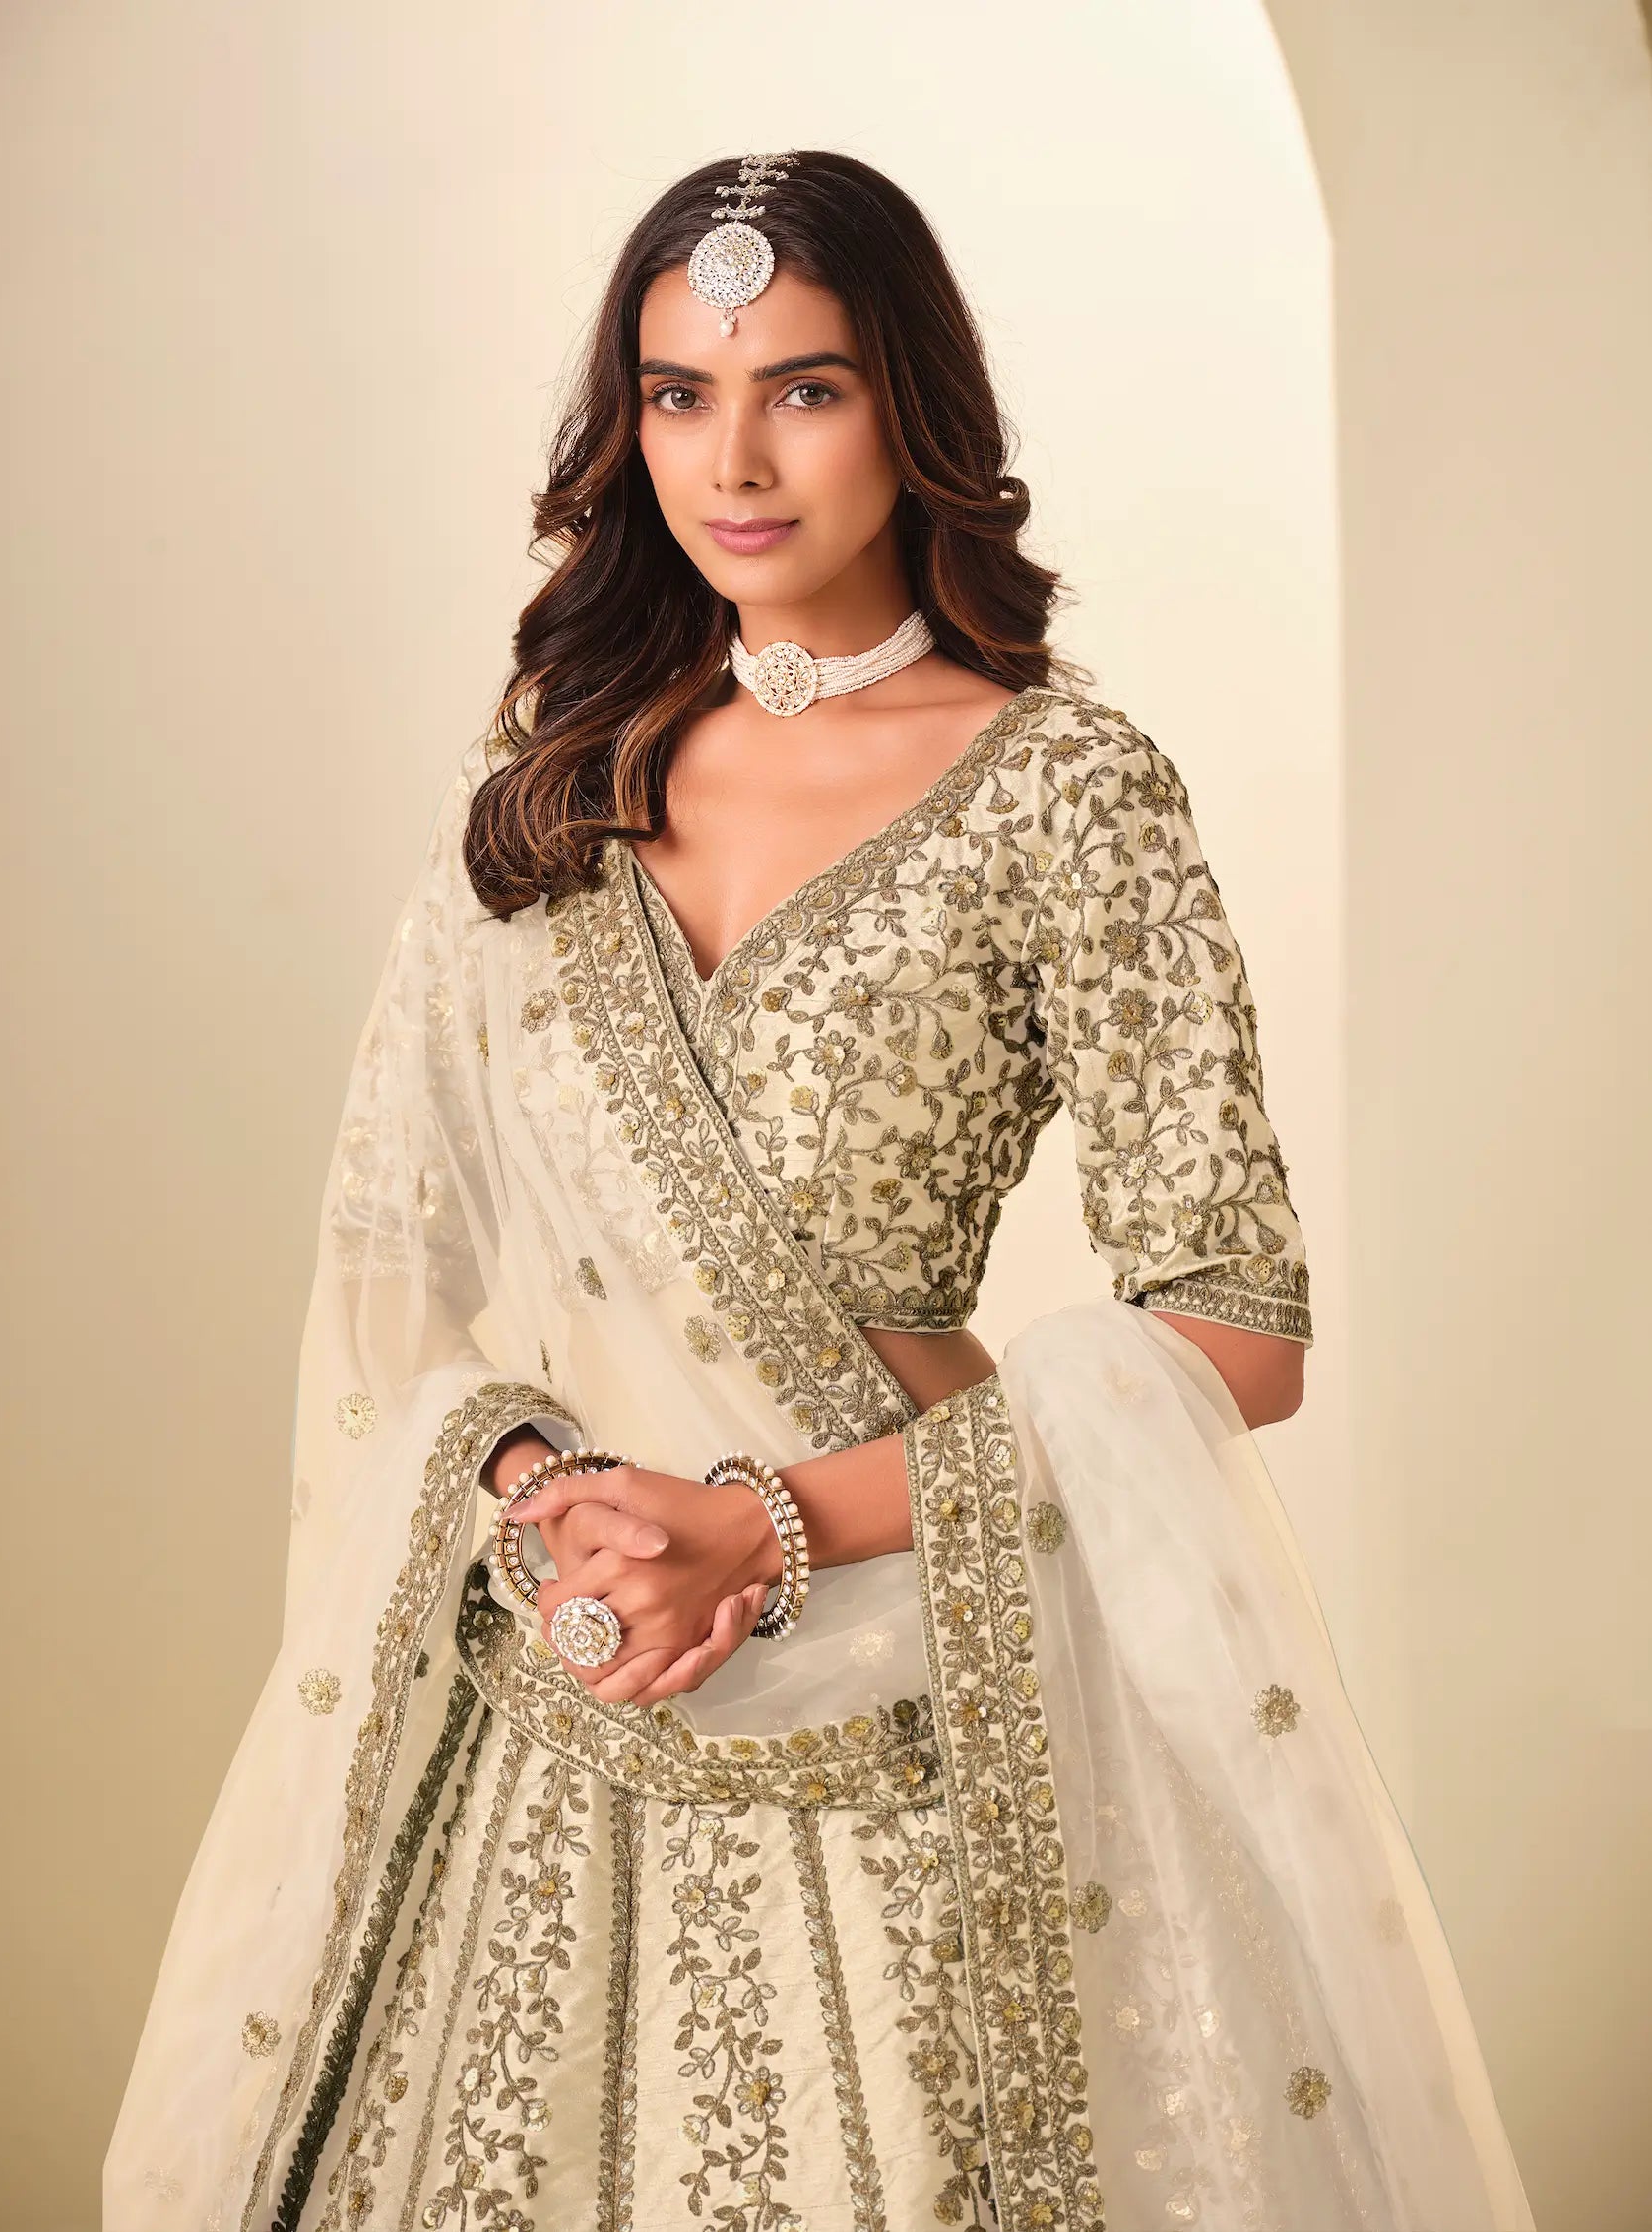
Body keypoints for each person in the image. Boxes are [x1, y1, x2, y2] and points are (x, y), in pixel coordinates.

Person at [105, 150, 1537, 2232]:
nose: (735, 461)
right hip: (566, 1676)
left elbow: (1232, 1325)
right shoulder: (547, 793)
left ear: (911, 406)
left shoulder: (1065, 789)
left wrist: (762, 1524)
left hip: (919, 1679)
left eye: (804, 387)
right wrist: (551, 1504)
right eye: (678, 395)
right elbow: (395, 1274)